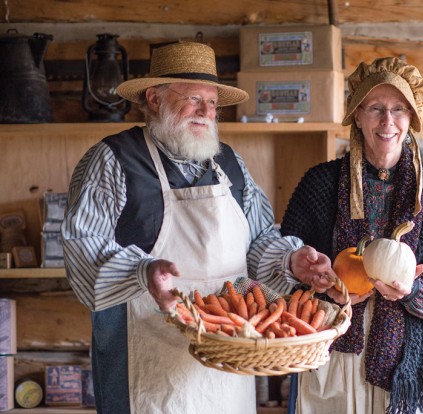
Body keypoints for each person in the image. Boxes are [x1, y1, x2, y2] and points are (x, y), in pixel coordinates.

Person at [61, 41, 333, 414]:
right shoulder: (113, 160)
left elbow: (258, 243)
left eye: (212, 103)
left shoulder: (231, 164)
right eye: (193, 99)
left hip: (227, 367)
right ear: (154, 99)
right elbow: (81, 249)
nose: (206, 112)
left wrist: (290, 262)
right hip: (146, 367)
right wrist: (144, 271)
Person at [278, 57, 423, 413]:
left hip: (410, 367)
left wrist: (413, 291)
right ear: (357, 115)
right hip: (332, 361)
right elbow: (283, 278)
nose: (388, 122)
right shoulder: (319, 184)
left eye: (399, 110)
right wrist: (326, 293)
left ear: (411, 119)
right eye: (376, 108)